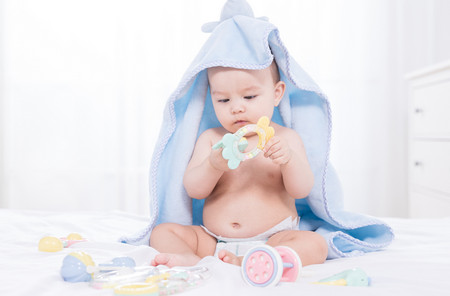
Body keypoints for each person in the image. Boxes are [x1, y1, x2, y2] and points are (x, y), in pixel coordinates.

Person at [149, 61, 328, 267]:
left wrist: (288, 160)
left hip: (273, 239)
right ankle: (191, 259)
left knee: (315, 244)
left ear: (276, 93)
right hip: (213, 241)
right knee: (163, 232)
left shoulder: (286, 139)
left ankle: (251, 260)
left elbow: (301, 190)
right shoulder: (212, 139)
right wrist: (213, 165)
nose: (236, 108)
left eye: (249, 97)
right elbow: (194, 190)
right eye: (223, 100)